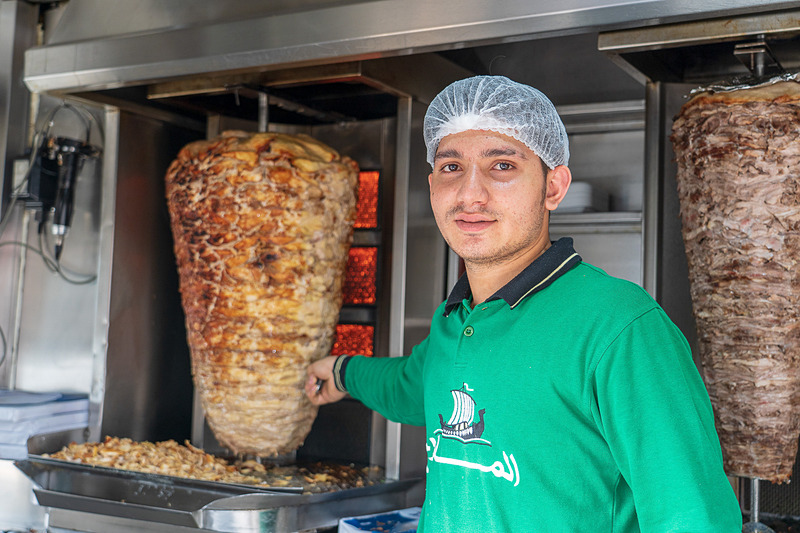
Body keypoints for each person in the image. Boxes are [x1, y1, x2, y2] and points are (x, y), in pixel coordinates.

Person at [305, 75, 742, 532]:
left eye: (502, 166)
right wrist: (342, 372)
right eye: (452, 167)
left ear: (554, 187)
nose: (470, 194)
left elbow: (694, 519)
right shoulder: (454, 321)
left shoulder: (620, 327)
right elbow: (413, 386)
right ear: (432, 185)